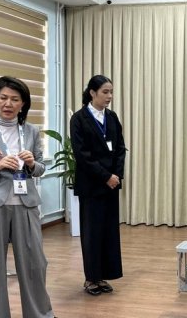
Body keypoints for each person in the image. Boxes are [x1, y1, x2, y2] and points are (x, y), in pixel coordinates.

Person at [0, 76, 55, 318]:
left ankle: (40, 314)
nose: (8, 103)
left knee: (35, 264)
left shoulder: (31, 131)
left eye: (15, 99)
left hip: (25, 203)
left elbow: (40, 168)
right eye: (3, 98)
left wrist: (30, 164)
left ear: (23, 104)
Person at [70, 75, 126, 296]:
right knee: (92, 232)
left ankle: (104, 275)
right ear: (92, 93)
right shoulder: (79, 119)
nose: (109, 96)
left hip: (111, 184)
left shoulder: (112, 117)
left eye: (111, 92)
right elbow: (82, 156)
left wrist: (117, 175)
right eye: (105, 92)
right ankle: (91, 278)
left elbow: (120, 148)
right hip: (92, 185)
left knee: (109, 232)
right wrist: (106, 176)